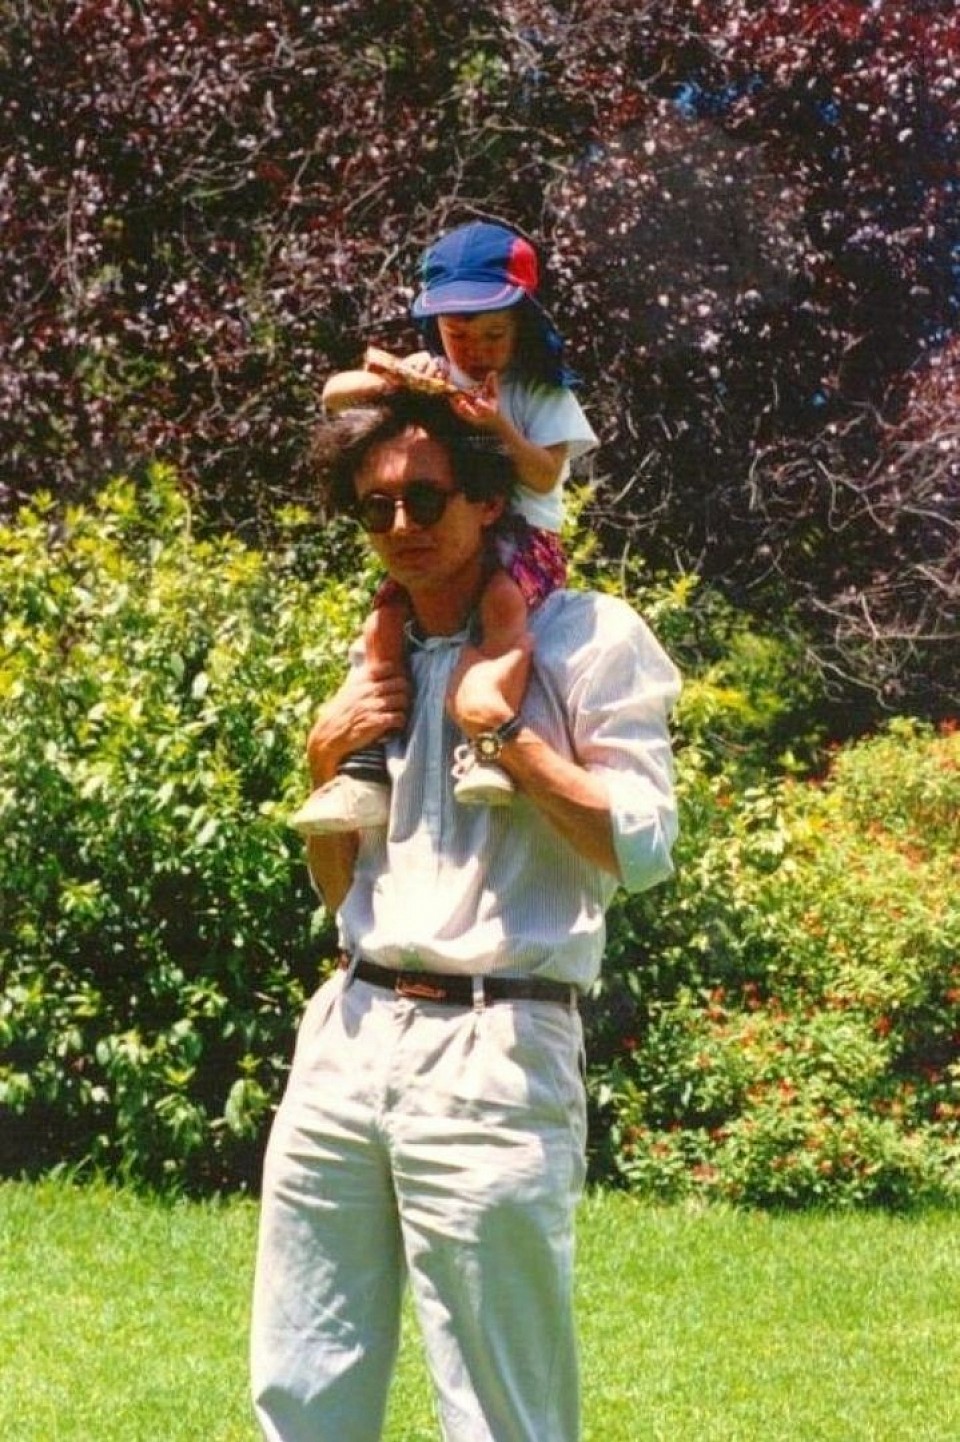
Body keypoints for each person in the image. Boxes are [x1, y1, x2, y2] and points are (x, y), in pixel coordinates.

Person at [251, 391, 680, 1442]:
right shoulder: (378, 655)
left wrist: (504, 737)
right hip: (349, 1035)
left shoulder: (586, 639)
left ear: (490, 498)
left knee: (501, 1408)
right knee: (302, 1382)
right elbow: (343, 888)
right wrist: (322, 761)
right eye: (376, 507)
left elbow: (641, 846)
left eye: (428, 495)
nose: (402, 524)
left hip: (497, 1041)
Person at [287, 219, 598, 836]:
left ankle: (488, 749)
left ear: (521, 329)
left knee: (503, 606)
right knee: (382, 623)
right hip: (452, 536)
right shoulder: (435, 367)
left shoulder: (537, 392)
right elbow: (335, 393)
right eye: (460, 333)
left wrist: (495, 427)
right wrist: (398, 379)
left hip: (520, 541)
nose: (475, 349)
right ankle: (366, 767)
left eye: (492, 334)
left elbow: (542, 477)